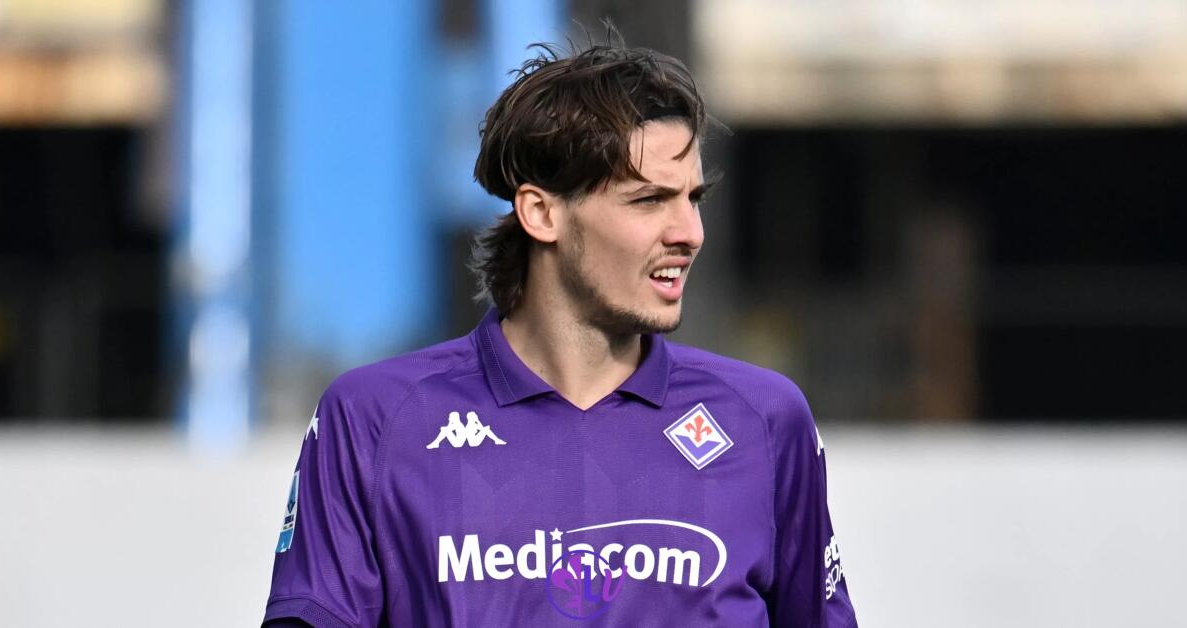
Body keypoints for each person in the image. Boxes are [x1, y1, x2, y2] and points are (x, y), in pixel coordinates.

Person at [262, 38, 857, 628]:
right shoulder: (376, 420)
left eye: (692, 199)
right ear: (542, 213)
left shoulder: (765, 421)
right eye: (649, 200)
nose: (689, 233)